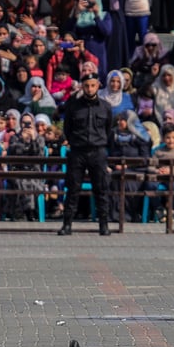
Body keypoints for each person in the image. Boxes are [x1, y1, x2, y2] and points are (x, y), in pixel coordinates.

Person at [58, 73, 115, 236]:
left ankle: (103, 226)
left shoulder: (105, 107)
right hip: (78, 151)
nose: (90, 89)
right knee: (73, 189)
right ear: (82, 86)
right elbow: (67, 128)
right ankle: (67, 224)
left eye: (93, 85)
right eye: (87, 85)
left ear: (98, 86)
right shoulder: (73, 105)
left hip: (98, 151)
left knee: (101, 189)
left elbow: (108, 129)